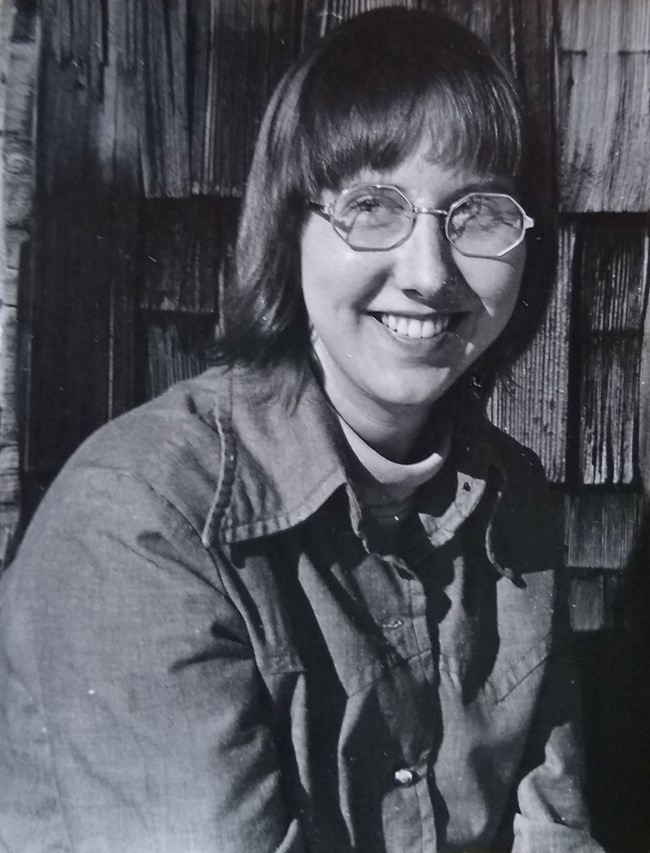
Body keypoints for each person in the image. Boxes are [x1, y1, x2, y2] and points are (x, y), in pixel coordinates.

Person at [0, 9, 604, 852]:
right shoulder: (139, 522)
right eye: (372, 206)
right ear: (288, 232)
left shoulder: (515, 495)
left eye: (477, 213)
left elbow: (558, 834)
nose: (430, 274)